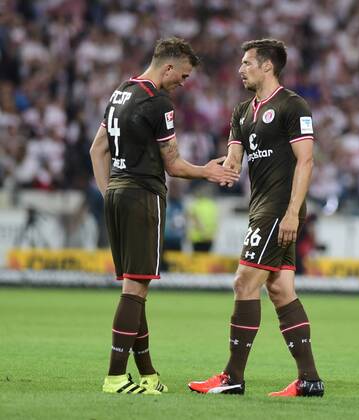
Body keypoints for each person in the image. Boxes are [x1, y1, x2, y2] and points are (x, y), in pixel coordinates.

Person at [89, 37, 240, 395]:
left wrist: (109, 194)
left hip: (117, 194)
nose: (182, 83)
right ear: (168, 67)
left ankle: (148, 374)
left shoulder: (120, 93)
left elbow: (98, 150)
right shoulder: (159, 103)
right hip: (144, 196)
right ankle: (114, 377)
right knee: (135, 289)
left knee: (134, 287)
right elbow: (172, 164)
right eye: (183, 76)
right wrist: (208, 171)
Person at [188, 39, 324, 397]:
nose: (240, 69)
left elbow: (306, 161)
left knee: (243, 283)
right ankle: (309, 379)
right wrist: (218, 169)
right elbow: (235, 161)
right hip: (260, 207)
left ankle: (232, 375)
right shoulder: (242, 112)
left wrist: (293, 212)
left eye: (247, 63)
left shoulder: (293, 105)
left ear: (268, 67)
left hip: (280, 209)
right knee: (280, 289)